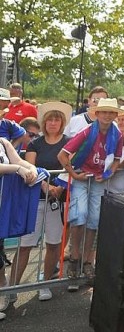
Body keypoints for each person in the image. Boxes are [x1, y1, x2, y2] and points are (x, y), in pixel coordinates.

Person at [9, 101, 72, 302]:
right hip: (35, 200)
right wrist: (46, 186)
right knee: (25, 245)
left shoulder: (69, 142)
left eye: (57, 119)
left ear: (62, 123)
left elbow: (71, 167)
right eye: (50, 119)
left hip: (57, 202)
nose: (53, 123)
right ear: (44, 122)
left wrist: (60, 187)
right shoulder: (35, 143)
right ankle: (11, 288)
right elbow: (30, 167)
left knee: (53, 243)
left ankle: (45, 282)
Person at [58, 97, 122, 287]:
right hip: (82, 177)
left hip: (98, 180)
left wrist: (109, 172)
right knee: (80, 215)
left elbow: (117, 159)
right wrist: (73, 174)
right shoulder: (87, 132)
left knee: (94, 219)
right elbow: (62, 155)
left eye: (111, 112)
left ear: (115, 115)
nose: (107, 116)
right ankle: (75, 257)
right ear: (98, 113)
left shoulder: (116, 135)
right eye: (104, 112)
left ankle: (86, 261)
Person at [0, 133, 40, 316]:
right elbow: (14, 165)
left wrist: (32, 169)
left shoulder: (3, 142)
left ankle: (4, 290)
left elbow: (20, 161)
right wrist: (17, 169)